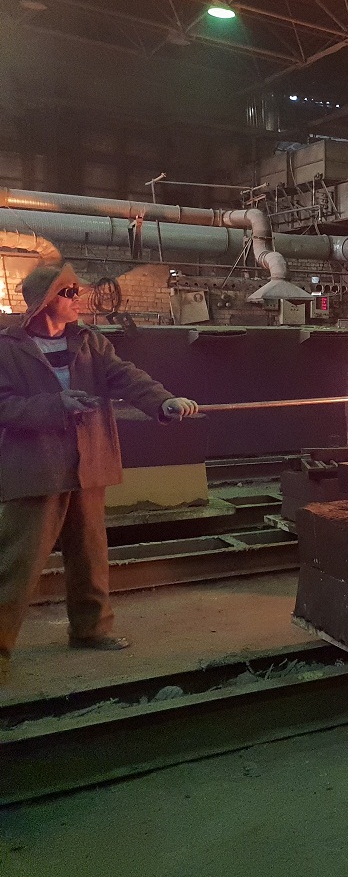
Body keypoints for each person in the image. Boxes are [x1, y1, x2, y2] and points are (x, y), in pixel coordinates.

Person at [0, 264, 199, 686]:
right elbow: (3, 405)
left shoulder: (89, 342)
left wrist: (162, 402)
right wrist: (56, 405)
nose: (79, 297)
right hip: (36, 468)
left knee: (90, 555)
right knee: (16, 564)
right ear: (45, 302)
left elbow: (126, 377)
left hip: (88, 462)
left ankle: (91, 630)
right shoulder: (7, 348)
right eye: (69, 292)